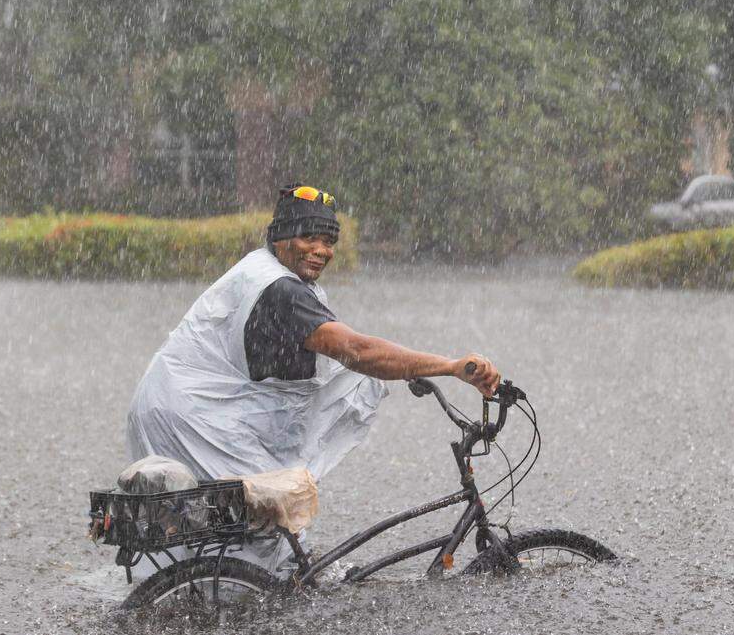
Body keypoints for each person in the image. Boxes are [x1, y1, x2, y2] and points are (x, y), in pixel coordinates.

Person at [126, 182, 499, 577]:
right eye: (309, 237)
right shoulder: (279, 289)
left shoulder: (263, 270)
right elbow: (358, 351)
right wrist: (451, 365)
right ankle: (249, 601)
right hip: (194, 417)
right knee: (264, 514)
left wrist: (406, 369)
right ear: (281, 237)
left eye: (329, 240)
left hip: (182, 406)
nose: (322, 250)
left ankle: (204, 596)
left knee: (235, 525)